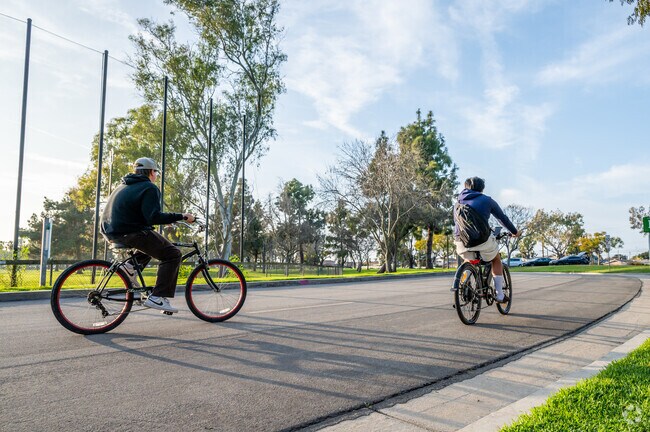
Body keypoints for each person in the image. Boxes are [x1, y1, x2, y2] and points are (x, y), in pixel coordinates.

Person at [100, 157, 195, 313]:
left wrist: (164, 220)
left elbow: (141, 214)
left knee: (154, 243)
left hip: (110, 230)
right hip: (129, 232)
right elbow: (153, 217)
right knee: (172, 254)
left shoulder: (123, 186)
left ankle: (129, 267)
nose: (156, 175)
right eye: (156, 172)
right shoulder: (149, 187)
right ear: (152, 172)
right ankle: (157, 297)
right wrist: (182, 216)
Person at [454, 177, 520, 303]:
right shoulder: (487, 200)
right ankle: (499, 294)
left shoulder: (457, 203)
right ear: (482, 188)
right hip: (481, 241)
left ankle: (464, 284)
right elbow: (502, 219)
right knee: (496, 259)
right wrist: (515, 232)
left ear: (465, 187)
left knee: (468, 259)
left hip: (461, 242)